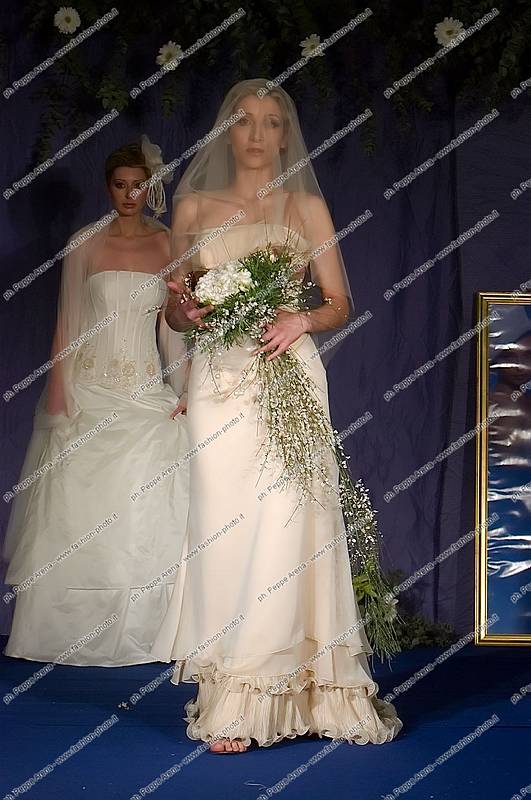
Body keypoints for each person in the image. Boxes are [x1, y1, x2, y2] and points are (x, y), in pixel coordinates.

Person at [151, 79, 403, 751]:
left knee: (290, 521)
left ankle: (297, 692)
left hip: (287, 375)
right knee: (224, 527)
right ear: (227, 132)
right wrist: (185, 308)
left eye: (270, 122)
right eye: (245, 121)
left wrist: (301, 318)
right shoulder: (193, 207)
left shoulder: (305, 206)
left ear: (286, 134)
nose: (258, 134)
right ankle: (232, 693)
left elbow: (339, 303)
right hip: (218, 383)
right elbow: (174, 308)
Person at [2, 137, 190, 666]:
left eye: (139, 186)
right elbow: (66, 324)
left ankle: (142, 629)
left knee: (142, 501)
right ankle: (66, 631)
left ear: (151, 188)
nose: (130, 194)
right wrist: (60, 390)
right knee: (73, 508)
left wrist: (184, 387)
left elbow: (172, 328)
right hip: (89, 386)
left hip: (144, 390)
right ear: (107, 187)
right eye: (120, 185)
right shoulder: (84, 242)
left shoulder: (169, 244)